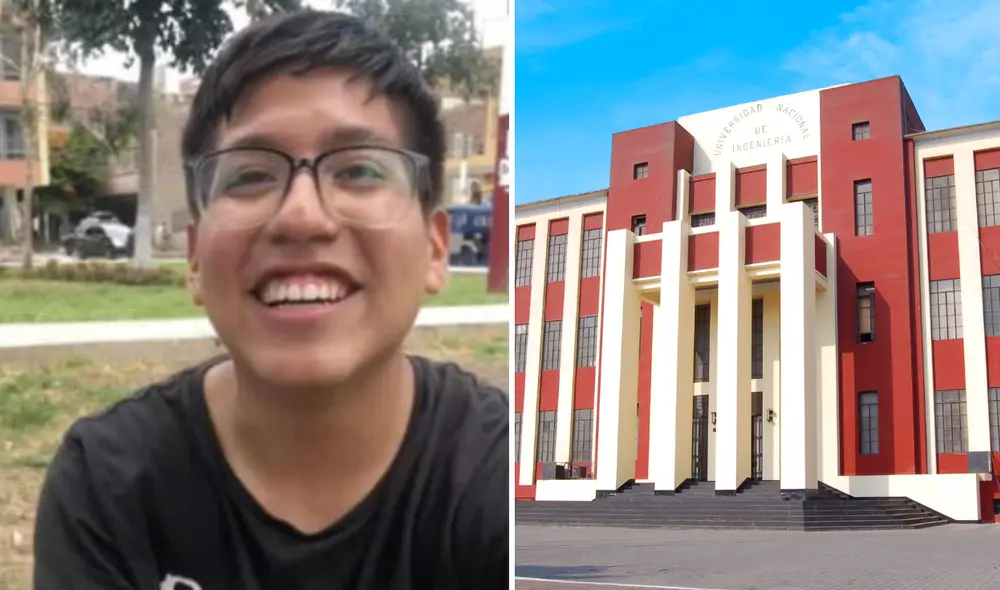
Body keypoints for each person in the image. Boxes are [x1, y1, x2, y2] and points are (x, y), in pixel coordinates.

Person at [32, 10, 509, 590]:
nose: (301, 216)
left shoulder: (511, 485)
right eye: (249, 175)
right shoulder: (109, 487)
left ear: (435, 249)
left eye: (358, 169)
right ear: (196, 260)